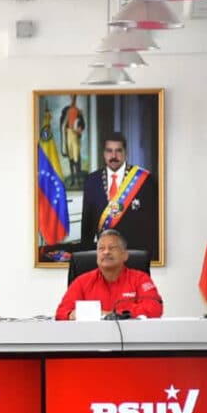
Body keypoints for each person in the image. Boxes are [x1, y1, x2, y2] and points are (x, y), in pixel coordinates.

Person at [79, 132, 159, 263]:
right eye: (109, 151)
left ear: (125, 153)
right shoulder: (91, 181)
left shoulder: (145, 180)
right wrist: (85, 258)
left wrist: (152, 259)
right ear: (103, 154)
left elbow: (153, 225)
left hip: (134, 256)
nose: (113, 156)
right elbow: (87, 226)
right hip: (105, 257)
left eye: (118, 151)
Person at [56, 229, 162, 320]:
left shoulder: (140, 279)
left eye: (112, 248)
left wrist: (112, 315)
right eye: (101, 248)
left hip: (131, 335)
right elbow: (61, 312)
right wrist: (71, 314)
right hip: (91, 335)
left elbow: (154, 309)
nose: (106, 252)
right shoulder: (82, 282)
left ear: (125, 255)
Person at [59, 95, 85, 188]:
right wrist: (65, 128)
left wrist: (79, 129)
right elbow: (62, 121)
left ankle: (78, 179)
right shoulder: (66, 110)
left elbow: (82, 124)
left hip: (75, 135)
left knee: (76, 156)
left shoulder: (78, 111)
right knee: (70, 157)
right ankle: (73, 179)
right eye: (72, 97)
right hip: (68, 135)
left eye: (74, 98)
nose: (73, 99)